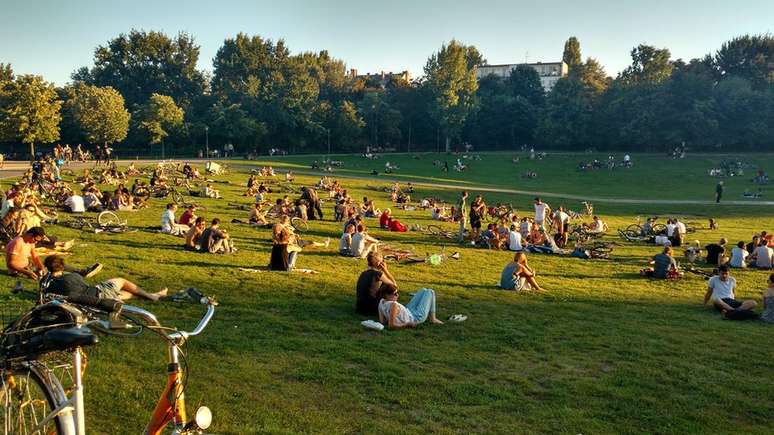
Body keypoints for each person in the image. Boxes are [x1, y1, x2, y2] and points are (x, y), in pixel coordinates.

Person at [43, 256, 167, 302]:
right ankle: (152, 297)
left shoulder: (45, 283)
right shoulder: (72, 277)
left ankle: (151, 295)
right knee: (121, 281)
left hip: (88, 302)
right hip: (97, 296)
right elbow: (85, 287)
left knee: (120, 294)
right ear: (63, 266)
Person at [6, 227, 101, 280]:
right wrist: (28, 273)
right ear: (30, 235)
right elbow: (11, 264)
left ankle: (82, 272)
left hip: (29, 266)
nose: (35, 242)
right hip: (19, 271)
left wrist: (41, 266)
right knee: (53, 272)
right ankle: (77, 276)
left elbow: (34, 256)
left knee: (54, 261)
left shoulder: (30, 242)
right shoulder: (17, 242)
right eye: (35, 240)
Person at [378, 286, 443, 329]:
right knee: (430, 291)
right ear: (387, 295)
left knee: (423, 290)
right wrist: (407, 324)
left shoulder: (381, 302)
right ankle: (433, 319)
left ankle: (432, 318)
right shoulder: (393, 305)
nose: (397, 295)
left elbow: (382, 321)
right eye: (395, 293)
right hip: (416, 318)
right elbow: (391, 326)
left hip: (408, 311)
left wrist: (391, 316)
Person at [355, 251, 397, 316]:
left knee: (385, 285)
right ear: (378, 263)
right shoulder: (377, 274)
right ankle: (391, 309)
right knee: (390, 287)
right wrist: (385, 270)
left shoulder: (363, 273)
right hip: (371, 308)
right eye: (382, 261)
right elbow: (394, 285)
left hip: (360, 307)